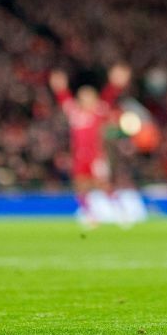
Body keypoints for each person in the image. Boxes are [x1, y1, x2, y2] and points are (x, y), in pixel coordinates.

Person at [49, 70, 118, 229]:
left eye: (89, 97)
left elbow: (109, 97)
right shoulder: (74, 112)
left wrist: (115, 84)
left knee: (102, 184)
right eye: (83, 98)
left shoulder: (98, 112)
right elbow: (64, 99)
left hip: (96, 157)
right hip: (79, 157)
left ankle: (118, 210)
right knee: (80, 186)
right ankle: (89, 214)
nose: (86, 101)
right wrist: (59, 87)